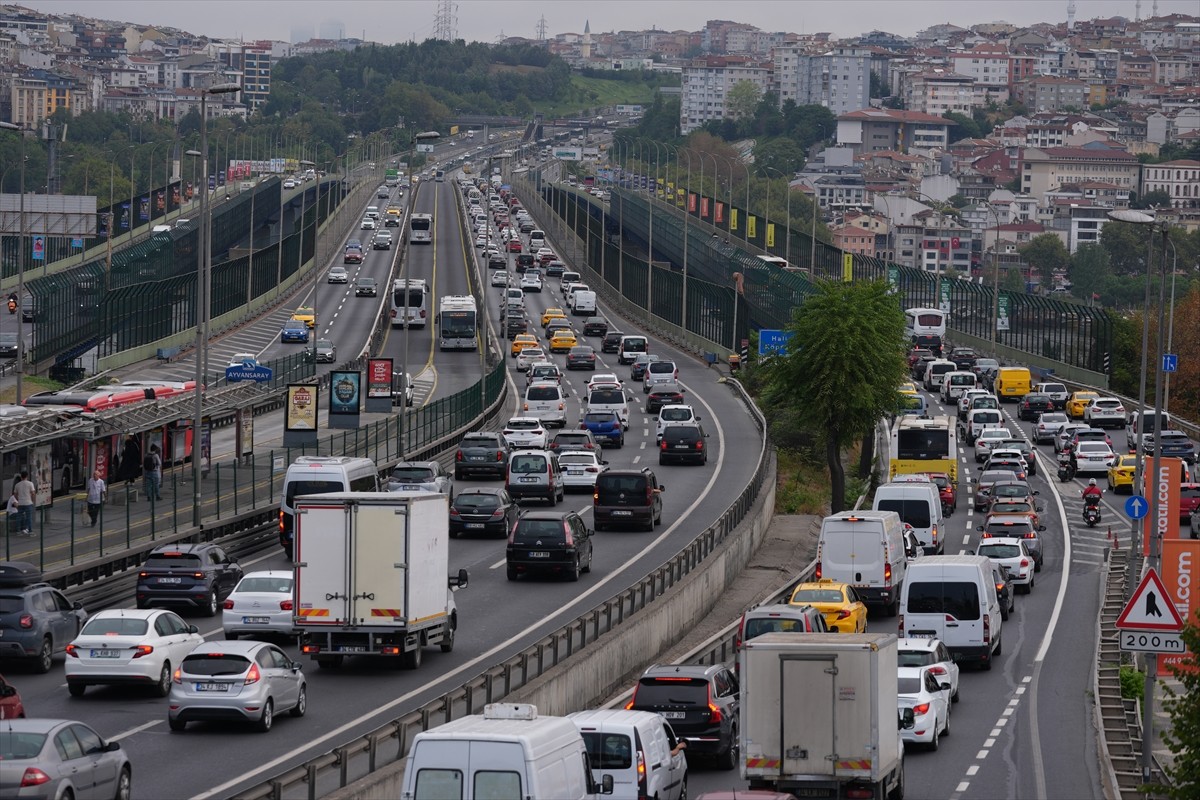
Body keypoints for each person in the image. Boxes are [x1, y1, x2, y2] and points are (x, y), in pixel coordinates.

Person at [13, 471, 35, 536]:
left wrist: (18, 499)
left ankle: (18, 531)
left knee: (19, 517)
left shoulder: (17, 485)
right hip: (28, 502)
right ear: (27, 476)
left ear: (21, 477)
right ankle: (30, 531)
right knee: (29, 517)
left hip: (20, 503)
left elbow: (15, 494)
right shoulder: (30, 483)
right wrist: (32, 501)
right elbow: (33, 493)